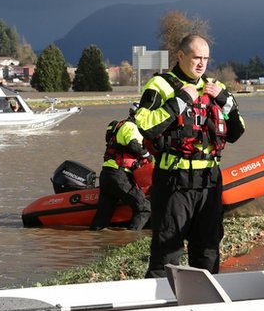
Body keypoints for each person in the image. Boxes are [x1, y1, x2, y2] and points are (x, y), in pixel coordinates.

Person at [135, 35, 246, 277]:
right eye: (196, 57)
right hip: (174, 180)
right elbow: (145, 125)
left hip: (209, 181)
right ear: (181, 56)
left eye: (206, 58)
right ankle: (157, 307)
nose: (201, 63)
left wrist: (225, 100)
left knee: (208, 250)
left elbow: (237, 132)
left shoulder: (216, 88)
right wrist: (181, 101)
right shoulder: (160, 86)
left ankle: (207, 304)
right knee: (167, 251)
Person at [90, 109, 153, 231]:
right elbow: (134, 145)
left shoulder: (121, 126)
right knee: (144, 207)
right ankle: (131, 241)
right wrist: (147, 156)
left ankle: (96, 240)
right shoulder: (131, 126)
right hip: (119, 175)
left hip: (107, 174)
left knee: (103, 215)